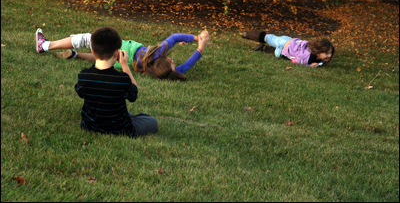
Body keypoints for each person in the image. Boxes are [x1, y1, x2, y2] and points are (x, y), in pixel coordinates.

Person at [66, 26, 158, 137]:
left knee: (122, 112)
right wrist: (125, 65)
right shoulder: (122, 80)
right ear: (116, 54)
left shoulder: (84, 75)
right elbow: (133, 94)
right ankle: (124, 117)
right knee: (151, 121)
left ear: (92, 52)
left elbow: (80, 92)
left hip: (90, 126)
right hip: (120, 129)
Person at [36, 28, 210, 81]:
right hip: (119, 61)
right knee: (100, 58)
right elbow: (183, 68)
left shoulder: (158, 54)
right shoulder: (153, 70)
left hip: (120, 48)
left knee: (86, 39)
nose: (173, 61)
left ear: (162, 61)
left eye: (170, 62)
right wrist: (199, 50)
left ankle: (45, 45)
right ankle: (75, 55)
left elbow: (174, 36)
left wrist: (197, 40)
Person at [240, 30, 334, 67]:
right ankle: (246, 34)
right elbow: (296, 62)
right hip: (284, 44)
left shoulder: (312, 48)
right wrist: (309, 66)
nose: (329, 55)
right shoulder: (306, 58)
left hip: (287, 43)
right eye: (327, 53)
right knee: (269, 40)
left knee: (271, 42)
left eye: (330, 53)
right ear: (318, 53)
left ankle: (263, 47)